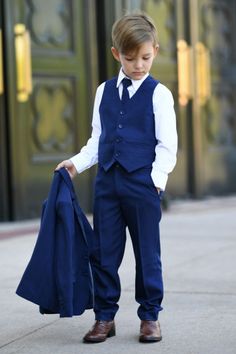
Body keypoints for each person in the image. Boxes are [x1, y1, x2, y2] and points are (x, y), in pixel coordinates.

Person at [56, 12, 177, 343]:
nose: (138, 65)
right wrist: (76, 164)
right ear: (116, 54)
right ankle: (105, 317)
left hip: (142, 186)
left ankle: (150, 316)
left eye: (145, 57)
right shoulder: (103, 91)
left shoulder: (159, 95)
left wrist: (155, 180)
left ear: (155, 50)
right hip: (107, 186)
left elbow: (168, 146)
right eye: (130, 58)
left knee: (147, 253)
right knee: (104, 253)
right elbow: (98, 140)